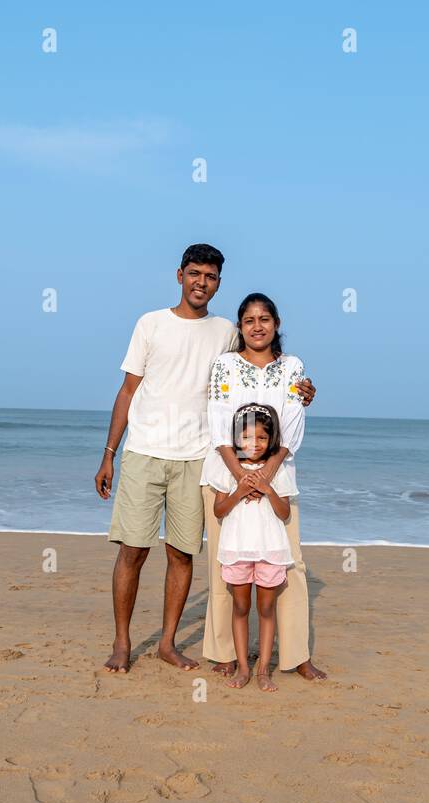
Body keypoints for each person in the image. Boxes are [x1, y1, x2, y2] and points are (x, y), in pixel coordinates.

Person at [94, 246, 316, 673]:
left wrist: (305, 389)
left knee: (183, 554)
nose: (201, 282)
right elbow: (127, 391)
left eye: (210, 276)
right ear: (179, 275)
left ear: (218, 282)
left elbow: (269, 375)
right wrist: (109, 454)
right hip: (148, 452)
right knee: (134, 551)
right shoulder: (150, 324)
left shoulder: (226, 333)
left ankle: (169, 643)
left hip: (196, 459)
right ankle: (124, 643)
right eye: (194, 274)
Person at [200, 292, 326, 680]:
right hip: (224, 476)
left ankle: (295, 655)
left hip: (279, 479)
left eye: (265, 319)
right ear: (240, 326)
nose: (257, 326)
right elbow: (218, 420)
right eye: (250, 319)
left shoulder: (292, 368)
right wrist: (241, 475)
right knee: (224, 564)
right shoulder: (224, 364)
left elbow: (292, 422)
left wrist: (266, 473)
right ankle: (225, 654)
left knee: (291, 565)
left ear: (276, 324)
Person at [208, 404, 297, 691]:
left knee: (267, 608)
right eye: (247, 438)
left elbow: (285, 514)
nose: (254, 444)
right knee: (241, 606)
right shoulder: (227, 469)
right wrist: (240, 491)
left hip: (270, 549)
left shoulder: (278, 471)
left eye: (261, 438)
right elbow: (219, 510)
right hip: (237, 549)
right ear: (236, 439)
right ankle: (243, 667)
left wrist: (268, 489)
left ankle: (263, 671)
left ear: (270, 440)